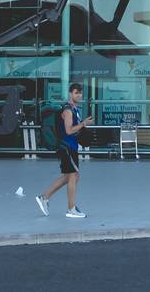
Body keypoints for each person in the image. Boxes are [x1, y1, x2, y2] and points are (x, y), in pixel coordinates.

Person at [33, 84, 88, 218]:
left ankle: (44, 197)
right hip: (67, 147)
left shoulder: (75, 109)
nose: (79, 95)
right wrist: (83, 124)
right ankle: (71, 209)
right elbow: (69, 130)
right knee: (73, 175)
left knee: (69, 176)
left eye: (80, 93)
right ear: (70, 94)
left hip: (70, 146)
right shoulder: (68, 110)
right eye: (76, 93)